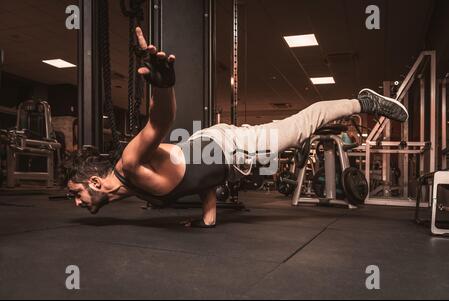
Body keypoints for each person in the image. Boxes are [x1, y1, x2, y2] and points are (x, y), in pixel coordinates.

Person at [67, 27, 409, 228]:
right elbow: (195, 179)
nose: (77, 202)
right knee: (293, 129)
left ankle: (364, 102)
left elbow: (160, 122)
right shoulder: (128, 187)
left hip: (228, 147)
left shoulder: (130, 163)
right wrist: (209, 218)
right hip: (207, 147)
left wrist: (163, 85)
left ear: (95, 182)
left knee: (302, 124)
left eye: (76, 193)